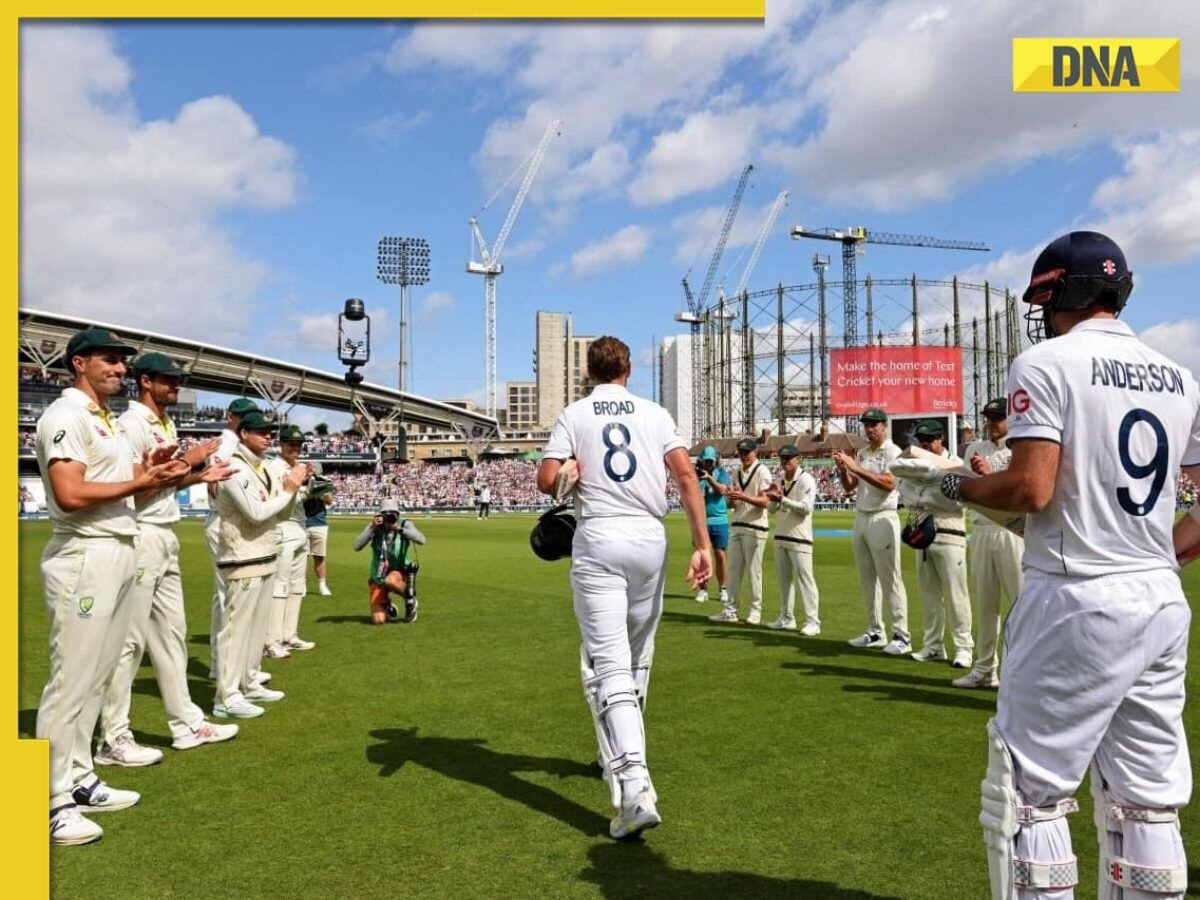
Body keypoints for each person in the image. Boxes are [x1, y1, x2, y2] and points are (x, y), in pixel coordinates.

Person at [936, 231, 1199, 899]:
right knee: (1147, 799)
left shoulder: (1046, 363)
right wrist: (1158, 557)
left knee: (1030, 795)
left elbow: (1031, 489)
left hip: (1077, 593)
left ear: (1061, 293)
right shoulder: (1180, 377)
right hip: (1159, 598)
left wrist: (956, 487)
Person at [536, 335, 711, 840]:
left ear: (589, 371)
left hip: (601, 535)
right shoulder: (655, 413)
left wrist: (567, 470)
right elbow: (685, 477)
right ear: (629, 369)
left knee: (605, 664)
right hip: (649, 538)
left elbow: (547, 481)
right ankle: (613, 751)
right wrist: (700, 544)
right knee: (637, 655)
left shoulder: (575, 413)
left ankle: (634, 786)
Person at [35, 328, 190, 846]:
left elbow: (129, 493)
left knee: (98, 677)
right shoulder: (66, 416)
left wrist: (159, 474)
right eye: (110, 360)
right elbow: (71, 492)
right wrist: (140, 482)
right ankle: (47, 801)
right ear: (79, 364)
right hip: (85, 554)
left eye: (123, 363)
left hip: (120, 547)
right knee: (70, 682)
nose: (120, 369)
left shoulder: (104, 421)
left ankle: (77, 780)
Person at [96, 353, 238, 769]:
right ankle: (114, 737)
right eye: (168, 381)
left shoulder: (163, 424)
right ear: (145, 382)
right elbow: (135, 492)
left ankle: (186, 723)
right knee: (130, 642)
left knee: (171, 635)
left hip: (164, 535)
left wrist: (197, 476)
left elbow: (161, 485)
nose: (175, 387)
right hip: (140, 535)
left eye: (178, 381)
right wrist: (190, 462)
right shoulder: (131, 426)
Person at [210, 411, 309, 719]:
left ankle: (250, 681)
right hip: (242, 556)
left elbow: (279, 514)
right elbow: (255, 512)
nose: (268, 436)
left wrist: (293, 489)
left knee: (255, 629)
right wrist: (291, 489)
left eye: (270, 432)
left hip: (265, 553)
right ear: (243, 434)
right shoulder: (235, 468)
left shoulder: (262, 468)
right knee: (236, 628)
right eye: (260, 432)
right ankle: (226, 696)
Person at [954, 397, 1023, 690]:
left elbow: (1020, 490)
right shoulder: (973, 448)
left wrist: (988, 476)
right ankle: (984, 669)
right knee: (985, 605)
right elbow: (967, 490)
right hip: (981, 529)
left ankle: (1021, 674)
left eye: (997, 418)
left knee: (1020, 606)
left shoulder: (1020, 448)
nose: (991, 423)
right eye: (988, 418)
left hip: (1012, 531)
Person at [833, 408, 910, 654]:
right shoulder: (864, 452)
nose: (869, 429)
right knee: (867, 580)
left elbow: (889, 484)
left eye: (873, 425)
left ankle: (902, 636)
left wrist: (855, 467)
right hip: (862, 517)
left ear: (883, 426)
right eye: (866, 425)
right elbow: (849, 487)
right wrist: (843, 469)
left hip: (883, 516)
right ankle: (875, 630)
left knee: (891, 579)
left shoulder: (893, 451)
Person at [897, 420, 972, 669]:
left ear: (941, 439)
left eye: (930, 440)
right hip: (922, 533)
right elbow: (908, 497)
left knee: (956, 595)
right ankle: (933, 646)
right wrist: (931, 493)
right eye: (921, 440)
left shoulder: (956, 466)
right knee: (929, 595)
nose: (925, 444)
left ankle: (963, 648)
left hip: (950, 534)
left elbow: (957, 503)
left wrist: (926, 495)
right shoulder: (917, 466)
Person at [206, 397, 260, 679]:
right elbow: (215, 484)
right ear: (231, 417)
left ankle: (232, 664)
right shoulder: (225, 444)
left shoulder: (240, 446)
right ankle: (222, 666)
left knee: (233, 594)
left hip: (235, 522)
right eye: (243, 416)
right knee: (227, 595)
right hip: (224, 522)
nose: (248, 421)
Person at [266, 424, 316, 656]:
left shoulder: (300, 467)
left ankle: (289, 635)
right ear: (281, 445)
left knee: (298, 585)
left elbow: (304, 498)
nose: (295, 448)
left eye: (299, 444)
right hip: (282, 528)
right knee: (280, 584)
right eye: (291, 444)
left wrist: (312, 487)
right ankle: (272, 641)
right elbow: (278, 498)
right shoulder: (274, 467)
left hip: (300, 527)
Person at [709, 437, 771, 625]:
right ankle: (730, 611)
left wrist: (742, 495)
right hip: (737, 525)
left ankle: (755, 611)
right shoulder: (736, 471)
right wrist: (731, 497)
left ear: (755, 453)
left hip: (756, 527)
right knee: (734, 571)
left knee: (754, 572)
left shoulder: (763, 471)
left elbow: (765, 501)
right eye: (741, 453)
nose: (743, 456)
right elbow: (734, 504)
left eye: (747, 452)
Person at [764, 444, 820, 634]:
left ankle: (813, 621)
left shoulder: (806, 480)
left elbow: (806, 509)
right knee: (784, 581)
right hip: (780, 537)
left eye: (789, 458)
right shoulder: (779, 479)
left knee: (806, 580)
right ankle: (786, 618)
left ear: (798, 458)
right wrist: (772, 497)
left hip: (800, 538)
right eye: (782, 458)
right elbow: (771, 510)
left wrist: (782, 500)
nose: (785, 461)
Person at [352, 498, 426, 625]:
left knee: (390, 581)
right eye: (386, 514)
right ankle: (387, 604)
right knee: (378, 620)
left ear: (398, 514)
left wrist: (399, 529)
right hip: (379, 574)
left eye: (393, 514)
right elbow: (356, 546)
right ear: (380, 515)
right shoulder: (375, 527)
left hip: (399, 569)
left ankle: (410, 599)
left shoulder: (404, 524)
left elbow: (421, 539)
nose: (390, 517)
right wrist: (372, 528)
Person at [693, 445, 730, 606]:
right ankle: (703, 589)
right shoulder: (695, 474)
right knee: (702, 556)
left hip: (719, 520)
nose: (708, 464)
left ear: (715, 461)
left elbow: (722, 490)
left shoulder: (721, 473)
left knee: (720, 554)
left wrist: (709, 478)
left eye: (711, 461)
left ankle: (723, 588)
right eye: (706, 461)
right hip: (701, 521)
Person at [305, 460, 334, 596]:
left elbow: (329, 501)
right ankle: (302, 585)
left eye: (310, 466)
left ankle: (322, 585)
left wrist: (321, 489)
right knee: (302, 557)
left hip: (319, 522)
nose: (308, 468)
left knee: (319, 556)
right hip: (302, 522)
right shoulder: (301, 479)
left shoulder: (324, 480)